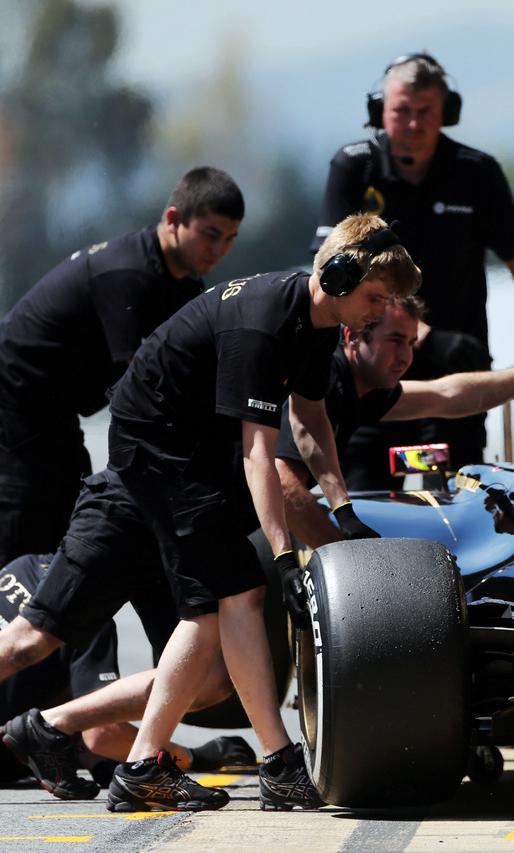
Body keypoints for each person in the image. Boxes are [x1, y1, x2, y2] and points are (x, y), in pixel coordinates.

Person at [101, 214, 421, 812]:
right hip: (158, 440)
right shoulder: (265, 327)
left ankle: (150, 767)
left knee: (217, 606)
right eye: (376, 297)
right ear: (339, 275)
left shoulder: (319, 321)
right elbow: (259, 454)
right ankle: (267, 763)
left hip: (191, 440)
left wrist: (342, 504)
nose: (380, 312)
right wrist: (285, 553)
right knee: (238, 592)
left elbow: (310, 417)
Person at [0, 167, 243, 584]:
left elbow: (200, 373)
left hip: (53, 417)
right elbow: (146, 386)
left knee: (70, 557)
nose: (219, 249)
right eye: (210, 233)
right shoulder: (128, 273)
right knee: (11, 570)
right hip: (6, 409)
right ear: (173, 219)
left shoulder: (182, 286)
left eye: (230, 239)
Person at [311, 52, 514, 489]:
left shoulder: (478, 172)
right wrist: (423, 336)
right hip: (369, 370)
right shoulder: (354, 166)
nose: (413, 123)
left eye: (425, 111)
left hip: (456, 368)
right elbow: (329, 271)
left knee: (461, 505)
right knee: (366, 504)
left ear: (447, 112)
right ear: (380, 111)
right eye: (401, 112)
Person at [0, 470, 237, 808]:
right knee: (80, 713)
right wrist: (197, 755)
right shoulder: (89, 619)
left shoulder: (20, 566)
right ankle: (51, 724)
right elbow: (102, 736)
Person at [277, 295, 514, 549]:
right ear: (353, 336)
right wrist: (348, 558)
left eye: (411, 343)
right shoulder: (324, 378)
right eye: (395, 341)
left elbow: (446, 396)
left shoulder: (361, 387)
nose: (406, 357)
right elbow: (283, 487)